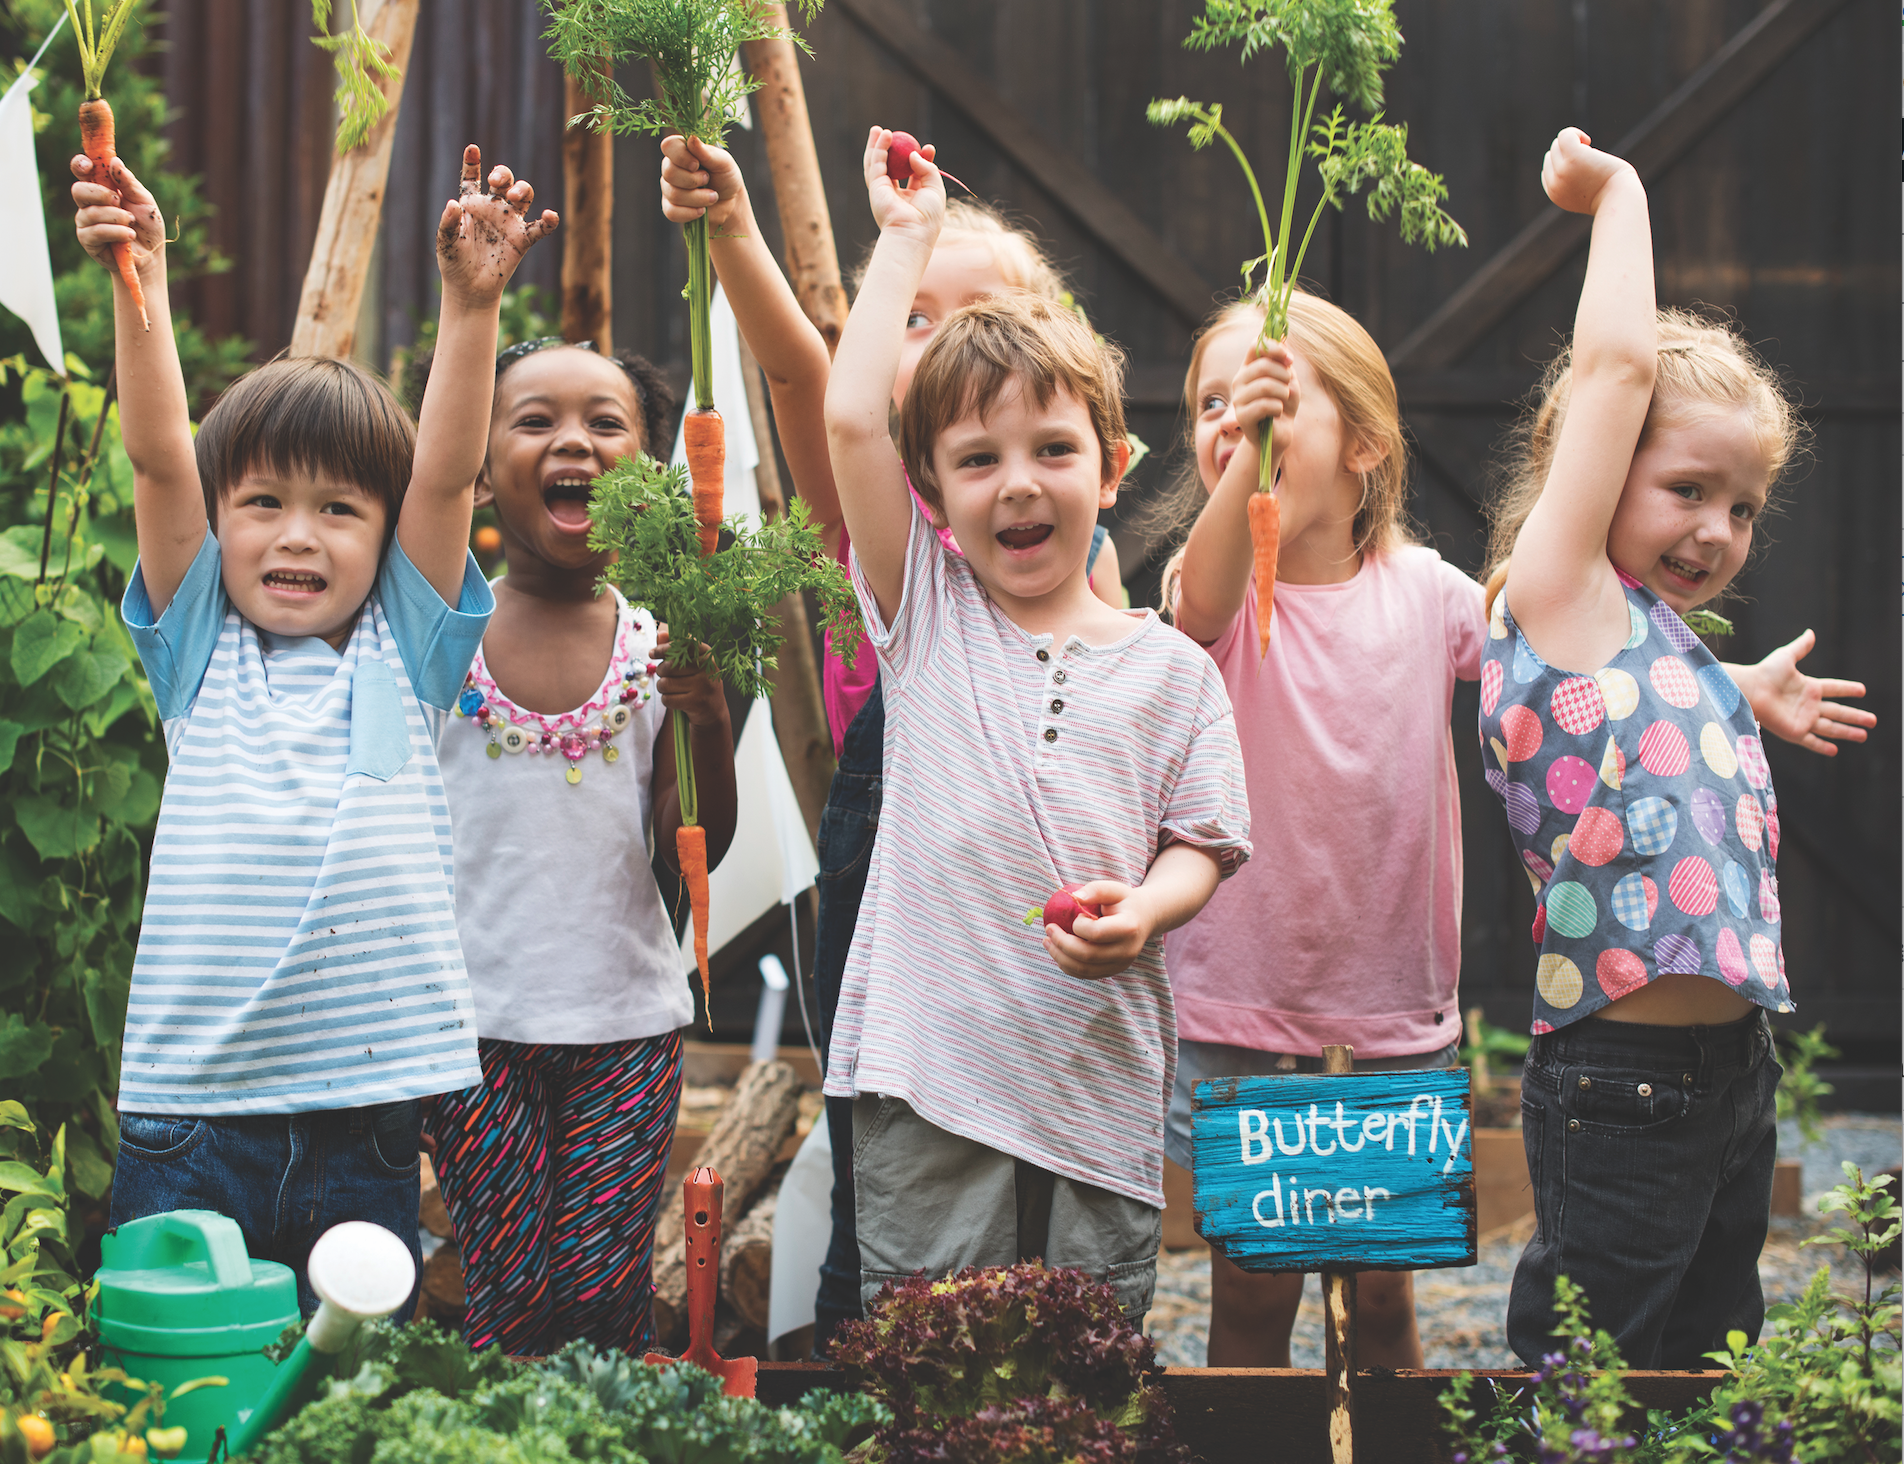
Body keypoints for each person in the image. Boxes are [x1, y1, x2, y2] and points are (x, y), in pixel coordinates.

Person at [658, 134, 1120, 1348]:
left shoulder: (1064, 525)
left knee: (1033, 1133)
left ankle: (1036, 1350)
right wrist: (739, 234)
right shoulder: (887, 505)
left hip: (1034, 845)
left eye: (983, 313)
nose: (944, 338)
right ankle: (869, 1344)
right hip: (897, 831)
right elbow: (811, 379)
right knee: (892, 1141)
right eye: (913, 316)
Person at [74, 145, 555, 1311]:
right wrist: (138, 277)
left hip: (366, 1124)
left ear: (383, 539)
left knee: (341, 1408)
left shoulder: (409, 645)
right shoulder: (201, 650)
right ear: (220, 520)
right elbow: (155, 454)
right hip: (195, 1113)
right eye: (262, 505)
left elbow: (442, 482)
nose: (297, 537)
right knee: (175, 1386)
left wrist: (471, 304)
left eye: (338, 510)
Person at [818, 127, 1250, 1322]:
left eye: (1052, 450)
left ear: (1110, 468)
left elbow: (1203, 842)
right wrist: (903, 241)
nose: (1017, 482)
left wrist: (1147, 910)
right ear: (935, 491)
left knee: (1081, 1369)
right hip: (927, 1081)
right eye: (976, 459)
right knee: (927, 1361)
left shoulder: (1170, 670)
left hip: (1090, 1084)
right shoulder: (925, 616)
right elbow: (851, 421)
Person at [1481, 128, 1872, 1367]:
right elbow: (1608, 369)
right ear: (1590, 478)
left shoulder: (1652, 645)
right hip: (1617, 1072)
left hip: (1727, 1066)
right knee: (1596, 1351)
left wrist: (1732, 692)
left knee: (1711, 1348)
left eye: (1742, 507)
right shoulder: (1556, 592)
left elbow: (1642, 728)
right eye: (1686, 488)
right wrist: (1619, 198)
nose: (1716, 528)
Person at [1160, 292, 1486, 1368]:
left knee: (1384, 1307)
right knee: (1252, 1307)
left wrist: (1723, 686)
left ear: (1363, 446)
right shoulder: (1209, 597)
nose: (1232, 419)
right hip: (1241, 1016)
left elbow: (1559, 657)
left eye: (1267, 399)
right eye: (1211, 402)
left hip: (1390, 1015)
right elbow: (1200, 595)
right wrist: (1246, 455)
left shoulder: (1430, 595)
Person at [414, 336, 736, 1356]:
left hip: (623, 1028)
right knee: (503, 1288)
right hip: (475, 1031)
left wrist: (710, 716)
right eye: (535, 420)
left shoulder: (657, 642)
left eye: (606, 424)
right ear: (477, 461)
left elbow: (696, 843)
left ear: (649, 470)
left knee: (600, 1290)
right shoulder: (441, 638)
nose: (575, 443)